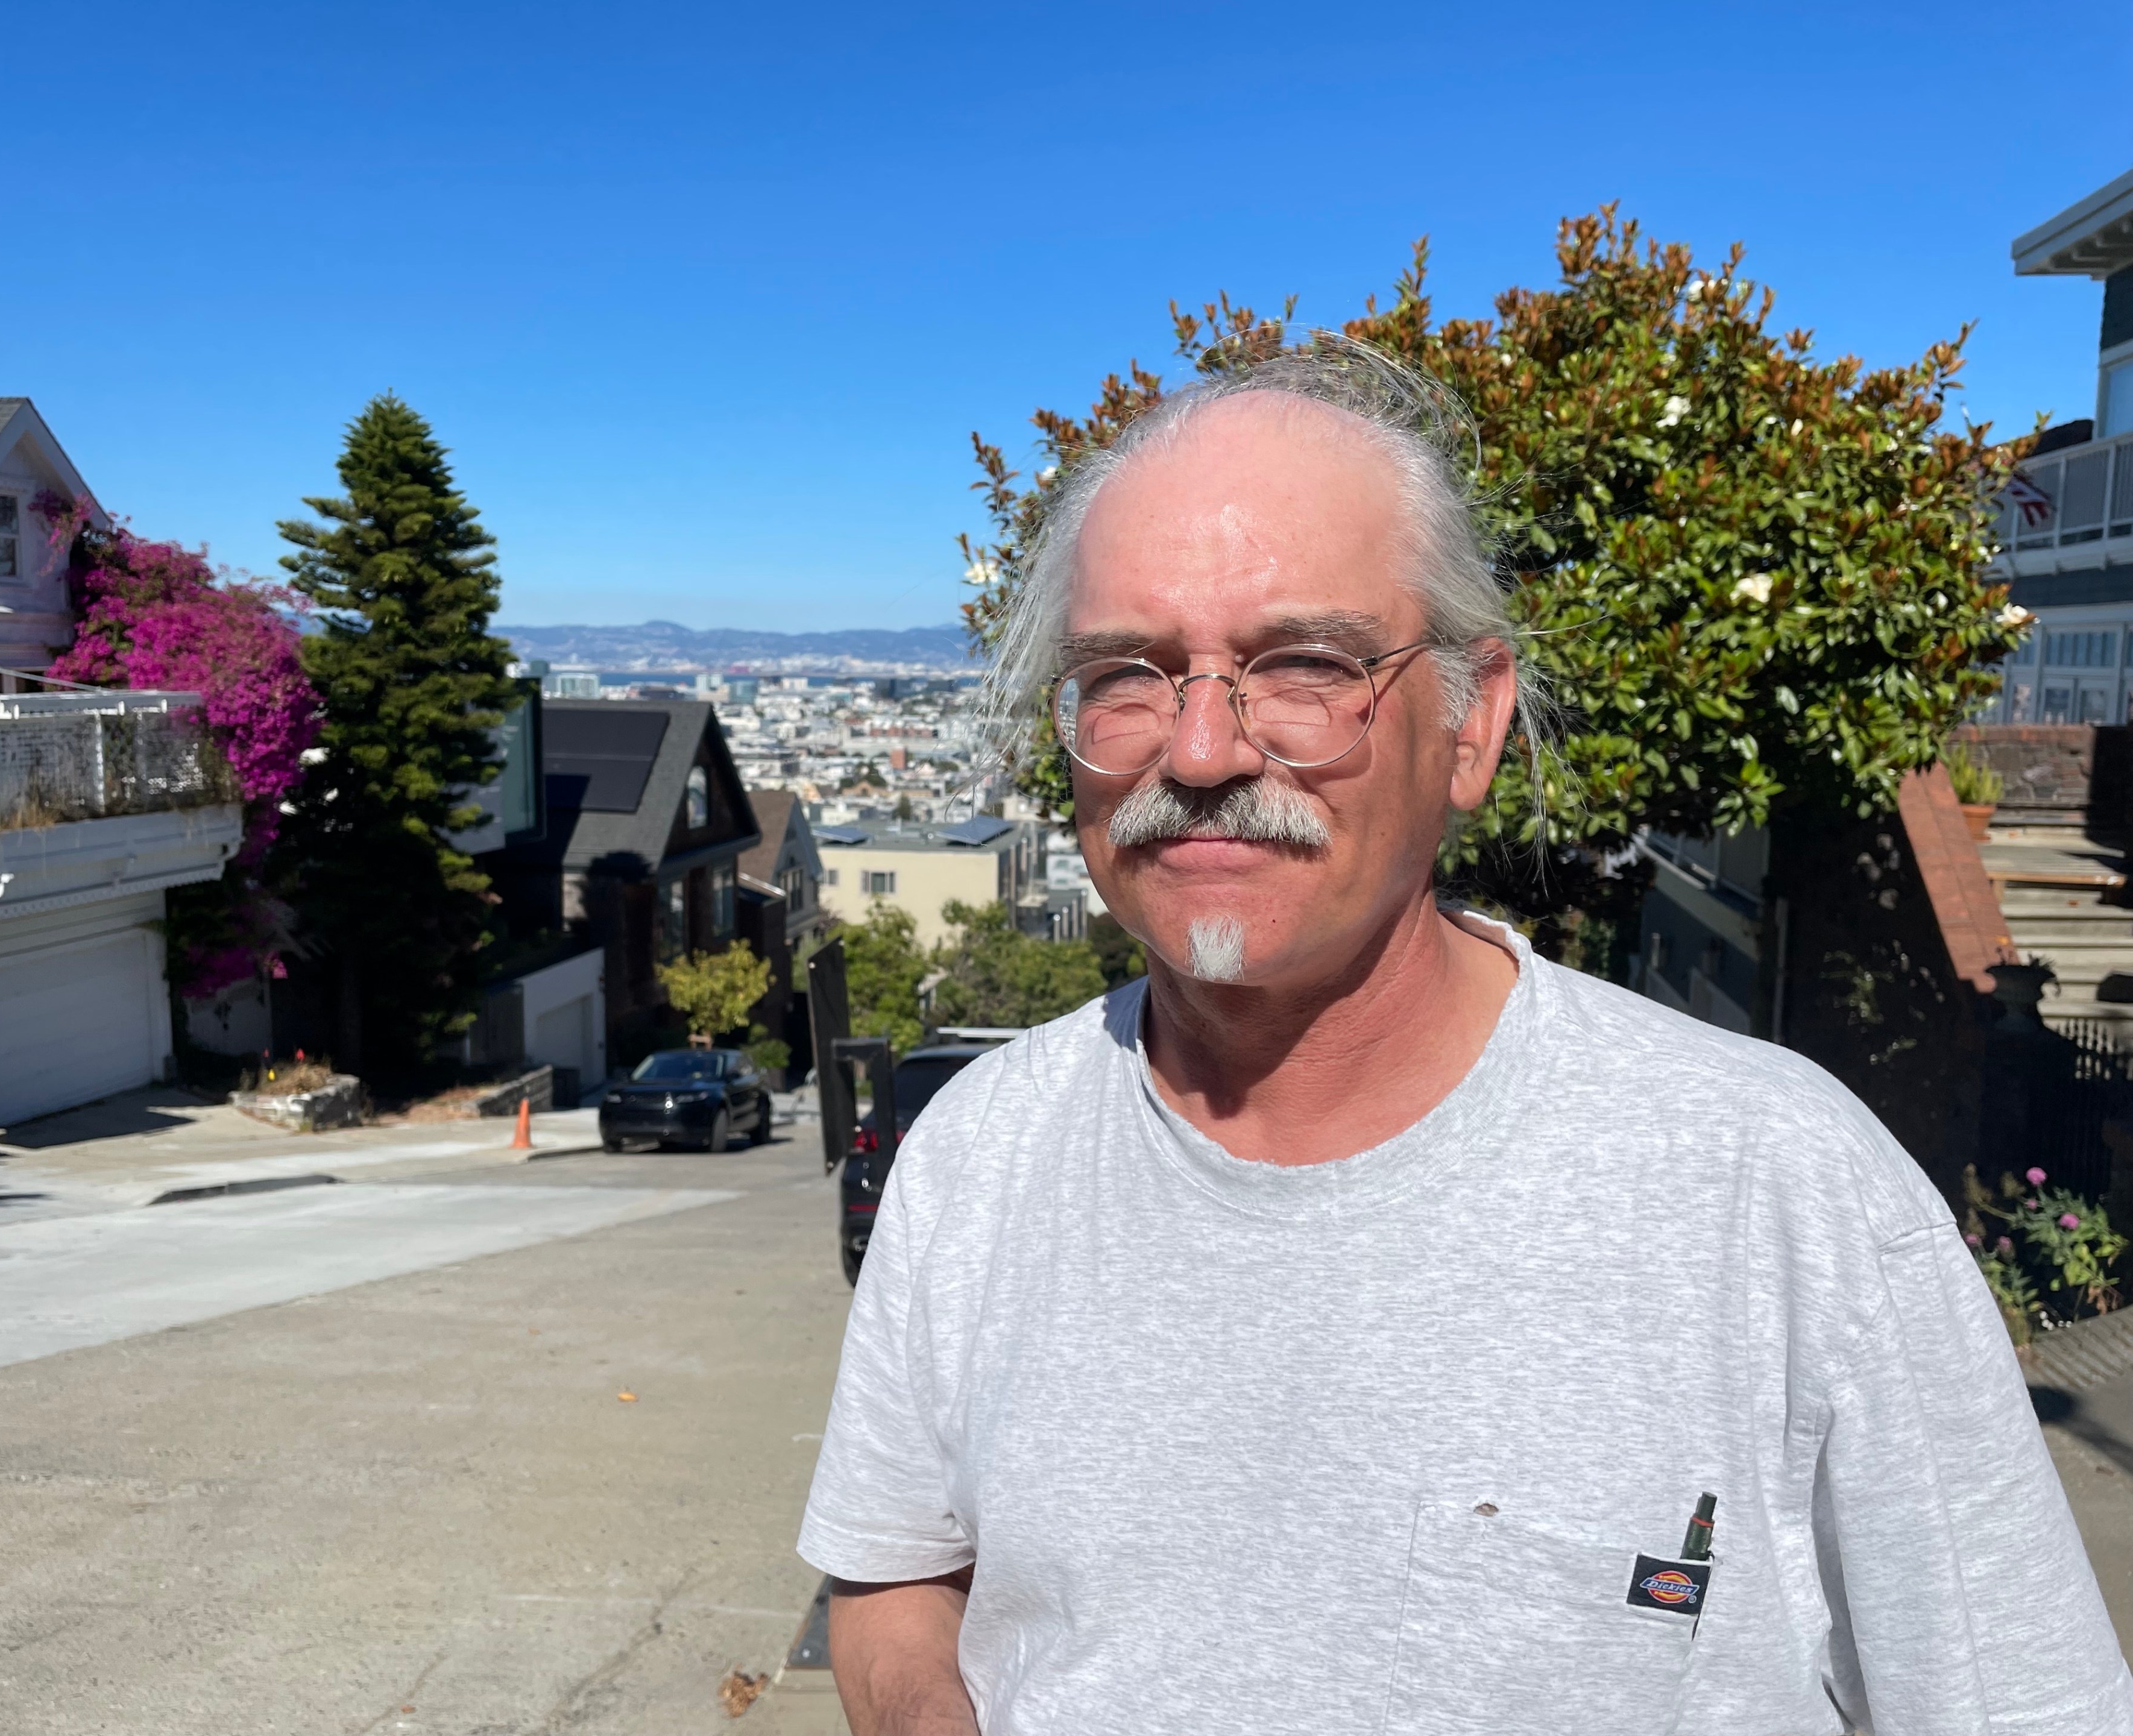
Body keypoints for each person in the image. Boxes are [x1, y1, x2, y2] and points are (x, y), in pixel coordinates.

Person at [796, 342, 2133, 1735]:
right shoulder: (982, 1155)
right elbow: (892, 1578)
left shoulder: (1777, 1190)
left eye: (1303, 665)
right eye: (1127, 675)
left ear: (1474, 723)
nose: (1197, 752)